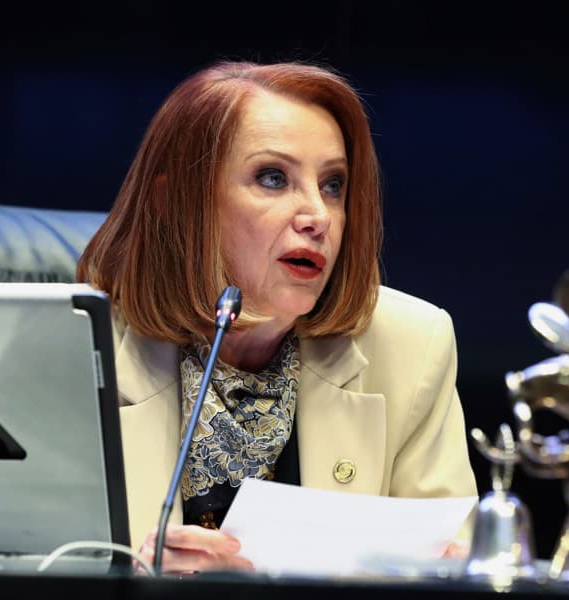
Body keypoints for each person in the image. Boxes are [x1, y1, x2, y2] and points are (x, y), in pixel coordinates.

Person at [76, 60, 477, 574]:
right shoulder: (77, 354)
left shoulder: (411, 346)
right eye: (273, 178)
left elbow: (453, 567)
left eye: (333, 185)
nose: (317, 216)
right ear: (178, 202)